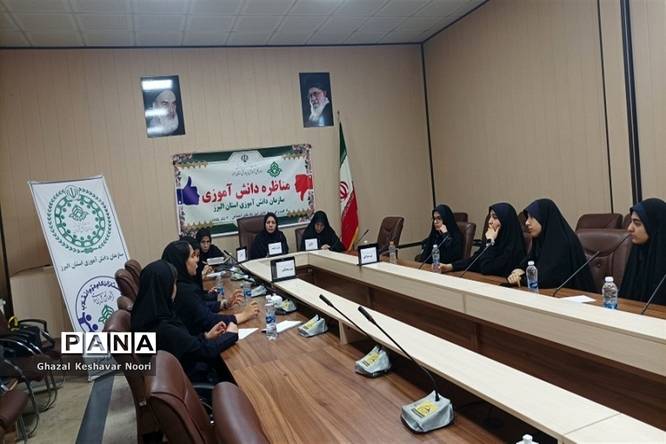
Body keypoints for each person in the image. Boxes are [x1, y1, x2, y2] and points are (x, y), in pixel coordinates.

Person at [130, 260, 235, 385]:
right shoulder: (163, 327)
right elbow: (204, 352)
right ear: (166, 288)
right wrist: (231, 334)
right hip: (188, 380)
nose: (176, 288)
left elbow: (184, 344)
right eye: (174, 284)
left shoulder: (145, 313)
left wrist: (206, 336)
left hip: (171, 373)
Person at [508, 198, 595, 292]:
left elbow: (547, 280)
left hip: (570, 295)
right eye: (527, 218)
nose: (527, 222)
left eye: (531, 217)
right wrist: (516, 272)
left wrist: (521, 278)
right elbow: (528, 263)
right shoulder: (541, 239)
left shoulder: (564, 243)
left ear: (544, 218)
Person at [442, 203, 526, 276]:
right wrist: (450, 266)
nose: (489, 221)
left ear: (506, 221)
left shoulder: (514, 247)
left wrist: (490, 242)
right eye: (490, 217)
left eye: (495, 217)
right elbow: (476, 259)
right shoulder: (496, 239)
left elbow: (486, 268)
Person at [619, 198, 666, 305]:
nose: (629, 228)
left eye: (637, 223)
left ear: (654, 227)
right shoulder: (637, 253)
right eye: (631, 222)